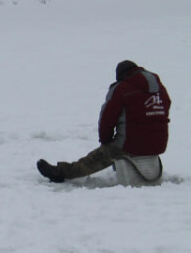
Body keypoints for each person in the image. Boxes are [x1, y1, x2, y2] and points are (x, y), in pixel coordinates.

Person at [37, 60, 171, 183]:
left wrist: (105, 141)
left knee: (97, 158)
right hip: (158, 144)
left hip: (130, 145)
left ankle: (61, 173)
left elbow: (107, 119)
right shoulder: (159, 88)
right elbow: (166, 106)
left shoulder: (121, 88)